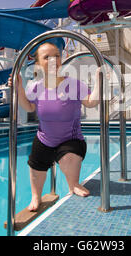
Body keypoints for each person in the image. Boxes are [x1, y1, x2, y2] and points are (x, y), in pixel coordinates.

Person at [8, 42, 101, 212]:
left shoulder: (73, 84)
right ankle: (36, 196)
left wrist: (99, 83)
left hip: (71, 139)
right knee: (36, 165)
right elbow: (29, 107)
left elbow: (91, 102)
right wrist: (19, 88)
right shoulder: (35, 86)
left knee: (68, 158)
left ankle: (73, 184)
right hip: (45, 138)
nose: (53, 60)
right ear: (38, 64)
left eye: (56, 56)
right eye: (47, 57)